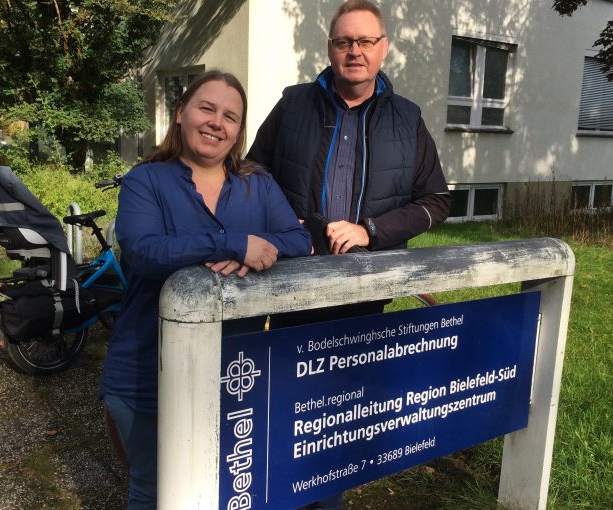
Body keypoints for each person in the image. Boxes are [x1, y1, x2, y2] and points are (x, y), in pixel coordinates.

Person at [246, 1, 451, 508]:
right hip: (294, 283)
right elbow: (251, 170)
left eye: (365, 41)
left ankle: (325, 498)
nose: (354, 51)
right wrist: (280, 221)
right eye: (344, 42)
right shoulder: (293, 104)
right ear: (330, 49)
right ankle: (278, 491)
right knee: (288, 405)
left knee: (343, 411)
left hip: (367, 287)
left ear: (383, 49)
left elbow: (436, 200)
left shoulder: (408, 119)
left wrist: (371, 230)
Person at [99, 70, 311, 509]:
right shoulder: (146, 181)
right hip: (147, 368)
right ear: (180, 114)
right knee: (154, 488)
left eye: (230, 116)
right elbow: (142, 252)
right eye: (206, 108)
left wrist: (257, 249)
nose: (217, 122)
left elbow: (298, 239)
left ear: (238, 132)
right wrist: (234, 242)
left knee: (226, 482)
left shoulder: (258, 183)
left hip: (236, 371)